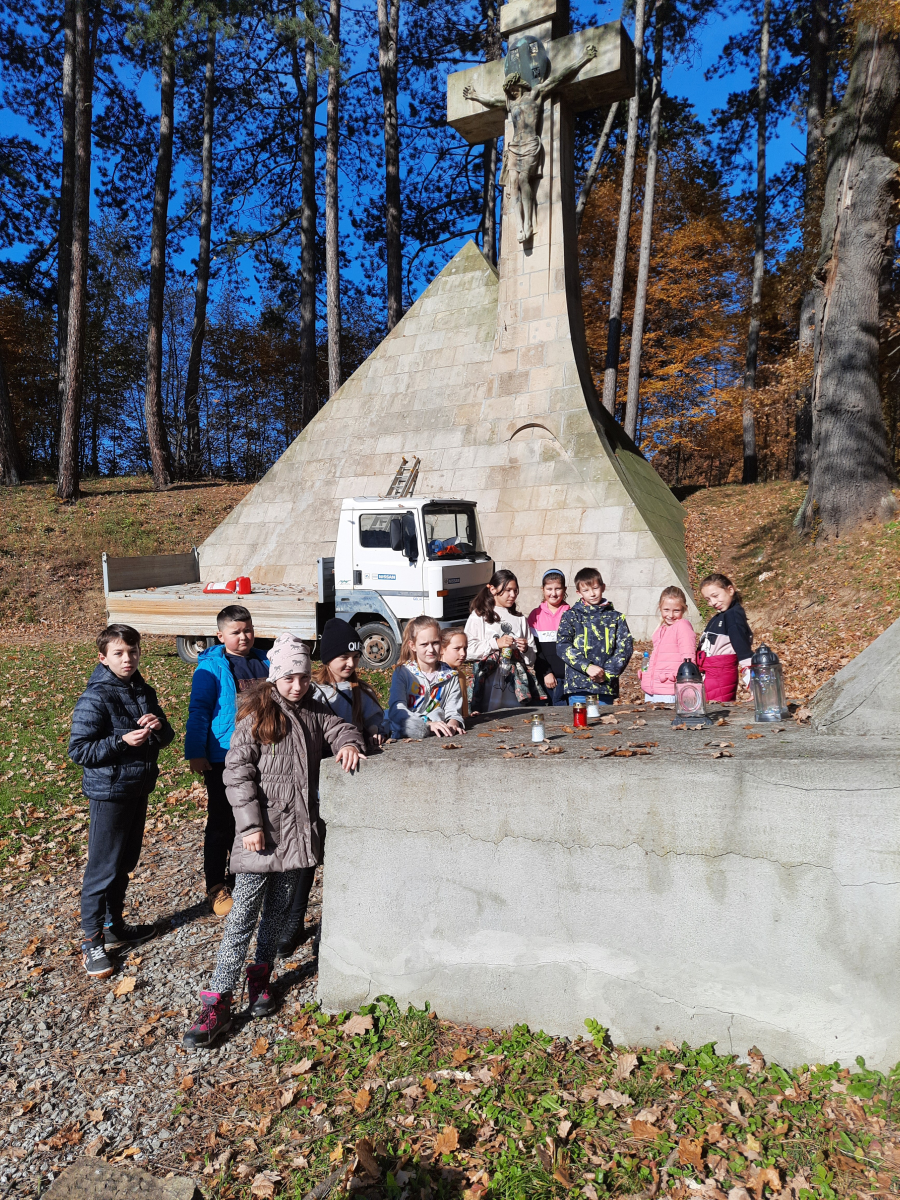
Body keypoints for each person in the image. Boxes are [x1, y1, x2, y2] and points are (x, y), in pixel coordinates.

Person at [183, 633, 365, 1048]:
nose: (297, 686)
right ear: (275, 677)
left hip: (296, 836)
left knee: (279, 913)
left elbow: (341, 728)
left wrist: (349, 744)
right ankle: (218, 1000)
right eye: (288, 678)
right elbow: (237, 772)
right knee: (242, 917)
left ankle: (260, 976)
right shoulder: (258, 716)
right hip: (262, 837)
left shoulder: (315, 711)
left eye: (302, 677)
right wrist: (249, 826)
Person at [69, 624, 174, 979]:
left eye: (132, 652)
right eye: (118, 653)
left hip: (137, 789)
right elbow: (79, 750)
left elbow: (167, 737)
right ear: (103, 658)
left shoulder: (143, 690)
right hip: (109, 794)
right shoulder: (95, 697)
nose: (127, 659)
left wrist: (158, 727)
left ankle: (115, 925)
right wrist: (119, 742)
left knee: (125, 862)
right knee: (102, 869)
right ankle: (91, 941)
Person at [184, 605, 269, 918]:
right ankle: (216, 885)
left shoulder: (266, 660)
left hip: (262, 751)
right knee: (222, 819)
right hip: (224, 754)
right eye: (235, 632)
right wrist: (195, 750)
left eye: (247, 630)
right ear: (220, 635)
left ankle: (244, 873)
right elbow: (199, 710)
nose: (244, 637)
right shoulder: (213, 667)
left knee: (253, 813)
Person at [464, 569, 544, 711]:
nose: (512, 595)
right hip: (486, 684)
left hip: (515, 686)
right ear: (493, 589)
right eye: (508, 590)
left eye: (515, 591)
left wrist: (525, 649)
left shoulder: (519, 619)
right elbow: (467, 650)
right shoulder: (478, 616)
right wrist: (496, 644)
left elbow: (531, 659)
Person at [556, 568, 634, 707]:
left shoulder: (616, 618)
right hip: (578, 686)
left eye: (595, 588)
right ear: (579, 593)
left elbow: (624, 648)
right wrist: (587, 667)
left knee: (604, 725)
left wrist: (607, 674)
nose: (592, 594)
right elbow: (562, 646)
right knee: (581, 725)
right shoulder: (571, 616)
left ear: (603, 587)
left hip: (605, 687)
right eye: (586, 590)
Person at [312, 618, 389, 751]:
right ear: (328, 657)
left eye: (356, 656)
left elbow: (375, 722)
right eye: (344, 657)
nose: (351, 663)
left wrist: (375, 732)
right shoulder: (313, 691)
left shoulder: (363, 692)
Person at [388, 615, 466, 739]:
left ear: (441, 641)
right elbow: (397, 710)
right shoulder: (402, 673)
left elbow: (453, 711)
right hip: (404, 737)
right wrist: (427, 724)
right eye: (424, 644)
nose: (431, 649)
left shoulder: (450, 676)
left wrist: (453, 724)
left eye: (435, 643)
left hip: (438, 738)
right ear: (412, 646)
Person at [697, 572, 753, 702]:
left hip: (720, 678)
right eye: (708, 599)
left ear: (730, 590)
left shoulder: (733, 615)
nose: (712, 602)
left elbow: (743, 651)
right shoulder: (721, 616)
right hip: (710, 677)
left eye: (715, 596)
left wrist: (754, 686)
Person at [639, 586, 696, 703]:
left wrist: (689, 688)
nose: (670, 615)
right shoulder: (661, 630)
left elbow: (689, 659)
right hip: (653, 690)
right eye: (666, 610)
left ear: (684, 609)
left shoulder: (682, 626)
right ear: (660, 607)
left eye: (676, 610)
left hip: (670, 690)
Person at [527, 569, 571, 706]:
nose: (553, 593)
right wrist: (546, 672)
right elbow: (535, 649)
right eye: (549, 589)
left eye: (558, 589)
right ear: (542, 589)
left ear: (564, 589)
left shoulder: (572, 613)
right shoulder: (536, 615)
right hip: (546, 678)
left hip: (570, 677)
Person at [440, 627, 470, 719]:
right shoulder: (436, 677)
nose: (463, 653)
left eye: (465, 648)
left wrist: (467, 715)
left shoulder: (460, 675)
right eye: (457, 648)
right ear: (441, 649)